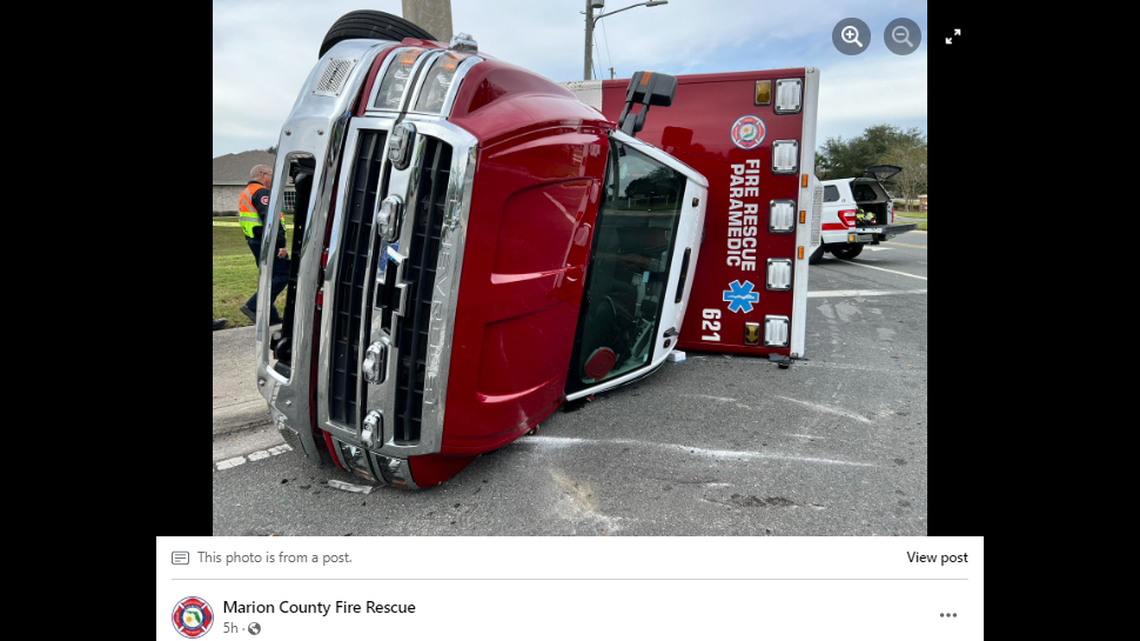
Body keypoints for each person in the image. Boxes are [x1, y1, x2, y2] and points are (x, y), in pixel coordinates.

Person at [238, 164, 290, 325]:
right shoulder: (261, 193)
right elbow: (271, 219)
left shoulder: (245, 193)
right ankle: (253, 306)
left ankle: (271, 316)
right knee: (282, 275)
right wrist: (280, 243)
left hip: (255, 240)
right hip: (267, 241)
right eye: (271, 174)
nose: (272, 177)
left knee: (269, 277)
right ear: (262, 174)